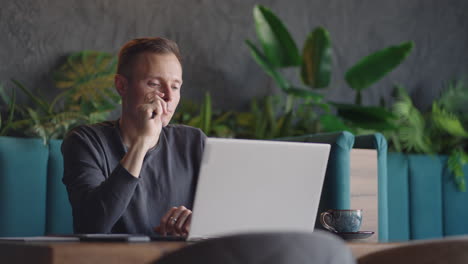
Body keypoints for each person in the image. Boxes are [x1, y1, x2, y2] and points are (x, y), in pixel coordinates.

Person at [62, 37, 206, 236]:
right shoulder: (86, 141)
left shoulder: (194, 142)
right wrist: (143, 142)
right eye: (154, 84)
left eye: (175, 86)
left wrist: (196, 224)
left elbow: (227, 212)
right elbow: (93, 225)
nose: (168, 97)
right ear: (122, 86)